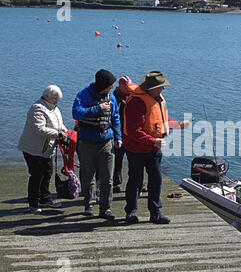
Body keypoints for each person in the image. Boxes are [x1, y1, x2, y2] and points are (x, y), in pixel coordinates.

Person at [123, 71, 191, 224]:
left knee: (156, 180)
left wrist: (179, 125)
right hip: (137, 149)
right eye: (161, 87)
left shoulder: (157, 98)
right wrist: (153, 141)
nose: (163, 90)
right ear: (151, 88)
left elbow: (162, 120)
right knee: (135, 181)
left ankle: (155, 213)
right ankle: (131, 212)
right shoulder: (137, 102)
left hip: (153, 148)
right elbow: (134, 130)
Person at [72, 69, 122, 220]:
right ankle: (89, 205)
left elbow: (115, 118)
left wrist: (119, 137)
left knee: (108, 178)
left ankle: (105, 209)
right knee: (88, 177)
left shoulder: (111, 97)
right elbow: (76, 113)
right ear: (103, 84)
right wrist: (98, 108)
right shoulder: (83, 95)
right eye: (110, 85)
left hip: (107, 142)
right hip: (87, 142)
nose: (112, 88)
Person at [18, 85, 68, 214]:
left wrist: (64, 130)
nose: (56, 101)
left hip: (46, 149)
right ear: (47, 97)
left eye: (57, 99)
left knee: (47, 173)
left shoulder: (54, 108)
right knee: (36, 175)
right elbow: (39, 129)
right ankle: (33, 204)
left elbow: (59, 123)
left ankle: (45, 199)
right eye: (54, 99)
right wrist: (58, 133)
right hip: (33, 149)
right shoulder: (37, 108)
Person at [112, 76, 146, 194]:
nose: (129, 88)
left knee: (137, 161)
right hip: (120, 132)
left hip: (132, 134)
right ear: (120, 86)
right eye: (127, 87)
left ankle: (140, 184)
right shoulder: (114, 98)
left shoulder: (134, 96)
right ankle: (116, 183)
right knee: (117, 160)